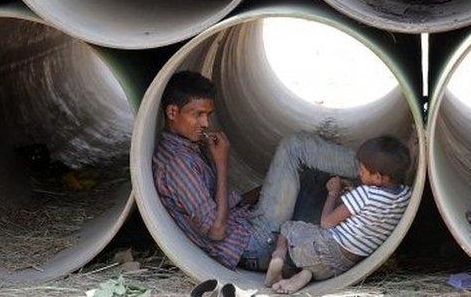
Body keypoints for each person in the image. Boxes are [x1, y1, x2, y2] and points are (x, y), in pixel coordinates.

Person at [152, 71, 368, 273]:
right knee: (295, 146)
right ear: (172, 112)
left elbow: (227, 203)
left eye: (208, 115)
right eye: (198, 114)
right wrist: (222, 163)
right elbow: (217, 231)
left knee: (315, 177)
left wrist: (270, 187)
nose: (206, 123)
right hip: (253, 244)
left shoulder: (186, 146)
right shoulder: (177, 164)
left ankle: (368, 203)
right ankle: (373, 169)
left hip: (250, 224)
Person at [264, 136, 412, 293]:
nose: (359, 173)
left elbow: (326, 222)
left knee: (287, 227)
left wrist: (333, 193)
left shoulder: (365, 194)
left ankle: (278, 258)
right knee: (317, 262)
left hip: (324, 250)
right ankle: (306, 274)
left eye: (362, 170)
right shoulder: (405, 195)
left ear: (377, 177)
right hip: (342, 266)